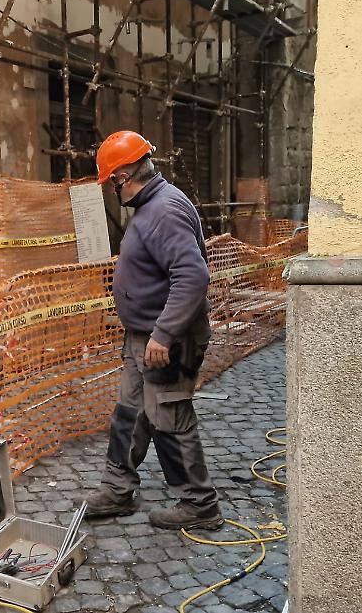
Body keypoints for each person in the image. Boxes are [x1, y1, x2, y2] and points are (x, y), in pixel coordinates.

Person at [83, 130, 222, 530]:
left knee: (169, 418)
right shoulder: (152, 206)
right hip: (143, 336)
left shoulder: (162, 210)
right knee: (130, 412)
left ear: (125, 175)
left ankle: (199, 505)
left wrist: (163, 334)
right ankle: (117, 488)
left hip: (167, 340)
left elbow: (193, 277)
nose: (112, 190)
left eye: (112, 181)